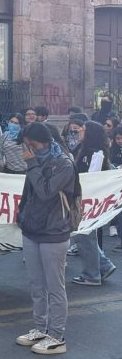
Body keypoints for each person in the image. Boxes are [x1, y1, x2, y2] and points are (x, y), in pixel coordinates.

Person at [16, 122, 76, 355]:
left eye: (30, 144)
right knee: (37, 285)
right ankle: (40, 328)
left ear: (42, 141)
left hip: (54, 232)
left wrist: (32, 163)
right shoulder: (37, 160)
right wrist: (21, 215)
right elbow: (28, 192)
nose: (28, 149)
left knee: (54, 287)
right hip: (32, 229)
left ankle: (57, 335)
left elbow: (45, 191)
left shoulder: (63, 163)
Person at [71, 121, 116, 286]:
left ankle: (92, 275)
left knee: (85, 237)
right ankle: (104, 265)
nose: (79, 132)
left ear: (90, 133)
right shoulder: (84, 150)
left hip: (87, 201)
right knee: (84, 236)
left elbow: (92, 178)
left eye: (82, 129)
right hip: (83, 200)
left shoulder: (95, 153)